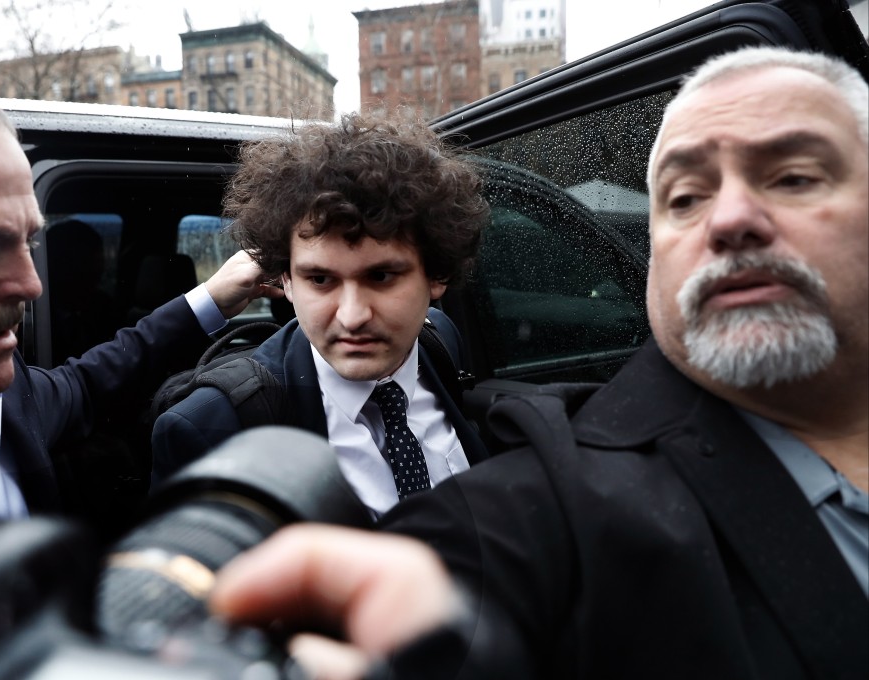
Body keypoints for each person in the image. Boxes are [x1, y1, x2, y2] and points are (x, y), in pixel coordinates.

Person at [203, 46, 869, 679]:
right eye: (685, 196)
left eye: (793, 176)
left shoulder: (442, 351)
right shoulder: (555, 499)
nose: (729, 217)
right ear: (281, 282)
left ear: (436, 282)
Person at [0, 63, 275, 537]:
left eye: (29, 242)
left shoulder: (2, 393)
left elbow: (92, 382)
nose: (31, 285)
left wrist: (210, 297)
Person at [152, 114, 492, 517]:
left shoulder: (439, 341)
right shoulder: (212, 424)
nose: (352, 316)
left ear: (437, 276)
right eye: (319, 279)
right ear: (285, 281)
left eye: (381, 276)